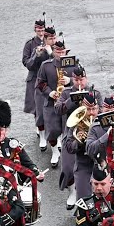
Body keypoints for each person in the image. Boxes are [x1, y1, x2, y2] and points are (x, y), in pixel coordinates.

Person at [55, 63, 101, 209]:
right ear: (72, 80)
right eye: (76, 80)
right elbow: (58, 109)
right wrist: (72, 100)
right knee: (68, 168)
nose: (79, 83)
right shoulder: (67, 93)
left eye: (82, 80)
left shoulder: (94, 93)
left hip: (92, 131)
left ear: (86, 79)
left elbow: (101, 110)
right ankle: (71, 192)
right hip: (72, 132)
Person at [0, 99, 45, 184]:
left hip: (13, 185)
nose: (1, 133)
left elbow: (27, 163)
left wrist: (36, 173)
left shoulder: (12, 144)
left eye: (3, 129)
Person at [35, 36, 76, 167]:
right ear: (53, 51)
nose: (60, 54)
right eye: (57, 51)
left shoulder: (73, 64)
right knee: (52, 130)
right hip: (51, 102)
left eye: (62, 51)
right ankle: (54, 152)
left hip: (68, 103)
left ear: (66, 51)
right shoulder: (46, 65)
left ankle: (68, 155)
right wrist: (49, 92)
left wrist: (70, 80)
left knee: (69, 130)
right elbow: (40, 83)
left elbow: (83, 81)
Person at [64, 93, 100, 200]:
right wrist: (78, 142)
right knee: (84, 200)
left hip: (101, 164)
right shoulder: (76, 123)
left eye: (94, 109)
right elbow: (69, 147)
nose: (92, 113)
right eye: (88, 109)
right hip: (83, 166)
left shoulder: (102, 122)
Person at [29, 24, 56, 149]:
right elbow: (29, 65)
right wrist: (36, 56)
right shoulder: (36, 47)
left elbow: (63, 65)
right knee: (40, 113)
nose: (53, 41)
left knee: (57, 114)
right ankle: (42, 137)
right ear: (45, 39)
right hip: (41, 85)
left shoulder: (59, 48)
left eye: (54, 38)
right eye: (50, 39)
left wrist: (52, 53)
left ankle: (58, 138)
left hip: (56, 85)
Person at [22, 15, 46, 117]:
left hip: (47, 76)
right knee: (36, 107)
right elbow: (27, 63)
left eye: (42, 29)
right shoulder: (29, 44)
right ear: (35, 29)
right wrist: (35, 55)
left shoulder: (49, 42)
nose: (40, 31)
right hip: (34, 77)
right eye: (38, 29)